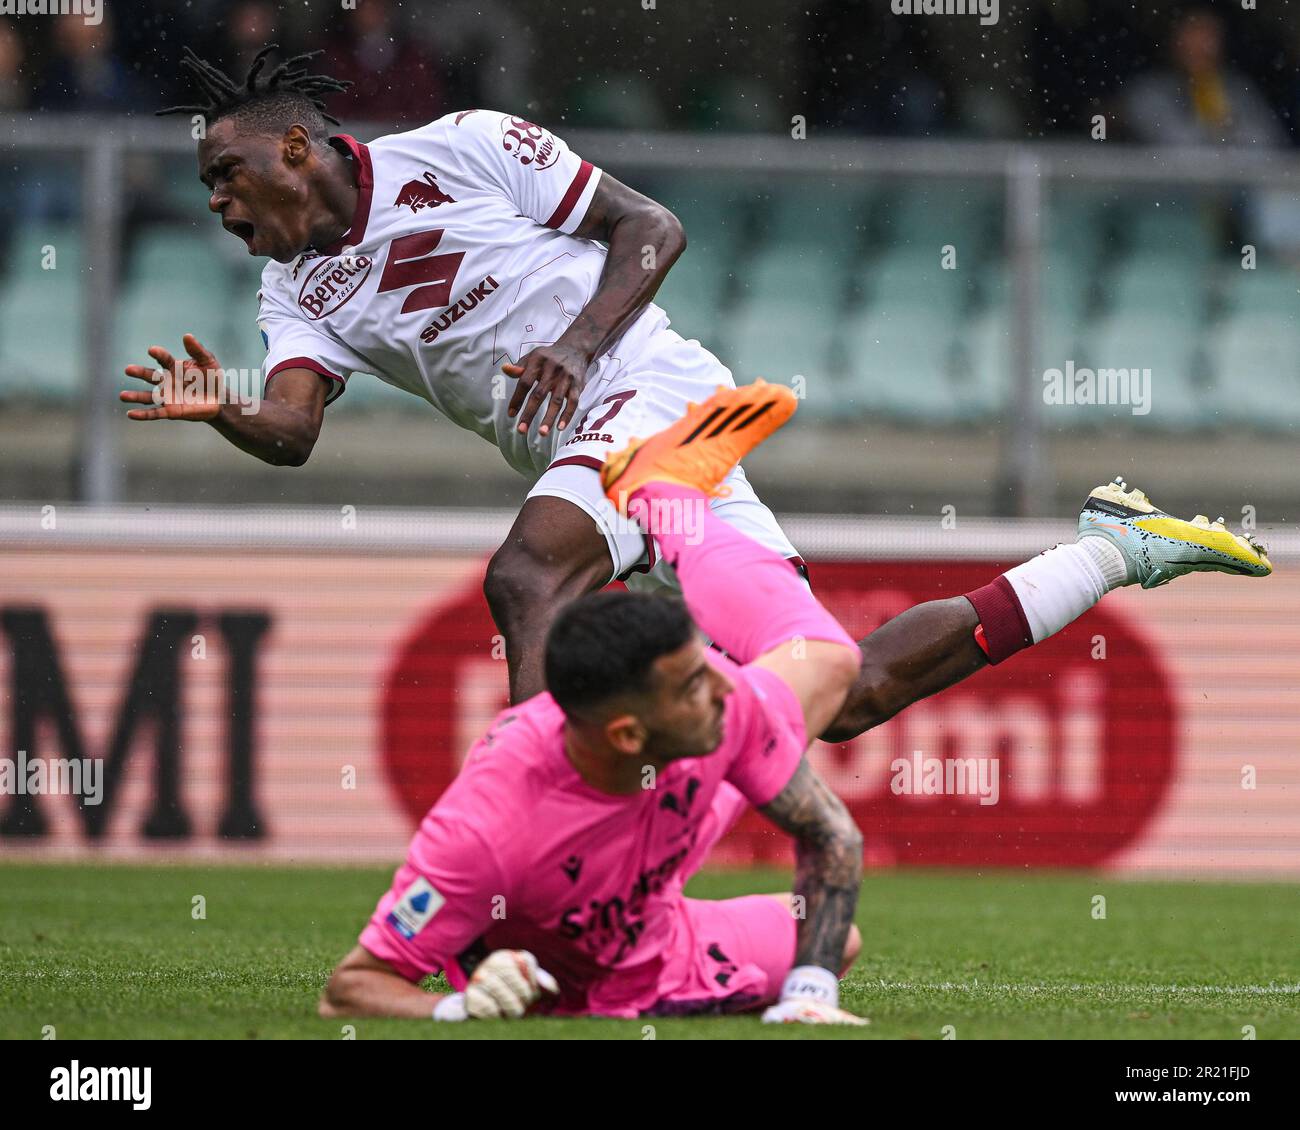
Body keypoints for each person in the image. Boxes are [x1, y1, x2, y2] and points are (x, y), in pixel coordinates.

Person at [124, 45, 1272, 745]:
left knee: (527, 573)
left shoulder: (463, 146)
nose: (218, 205)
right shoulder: (296, 290)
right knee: (843, 691)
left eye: (225, 173)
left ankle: (527, 831)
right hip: (621, 453)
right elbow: (294, 430)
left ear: (294, 149)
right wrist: (224, 405)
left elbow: (651, 226)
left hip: (652, 394)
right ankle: (1117, 551)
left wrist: (574, 347)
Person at [320, 381, 868, 1023]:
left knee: (827, 658)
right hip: (560, 982)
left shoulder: (722, 713)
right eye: (694, 684)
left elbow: (832, 833)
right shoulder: (486, 828)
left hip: (668, 947)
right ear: (630, 736)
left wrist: (809, 995)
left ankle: (664, 494)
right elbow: (350, 991)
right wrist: (459, 1005)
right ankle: (663, 489)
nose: (729, 685)